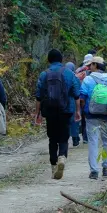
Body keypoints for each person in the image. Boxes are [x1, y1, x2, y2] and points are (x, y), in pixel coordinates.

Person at [36, 49, 81, 180]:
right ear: (61, 60)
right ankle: (62, 156)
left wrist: (37, 113)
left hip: (49, 111)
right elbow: (76, 93)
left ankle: (53, 165)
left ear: (49, 60)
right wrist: (78, 110)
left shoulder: (44, 74)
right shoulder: (69, 73)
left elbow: (38, 96)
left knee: (52, 139)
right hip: (66, 110)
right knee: (64, 137)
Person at [80, 57, 107, 179]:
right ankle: (106, 167)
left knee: (93, 142)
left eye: (91, 64)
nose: (89, 67)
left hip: (91, 116)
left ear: (95, 65)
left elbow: (82, 97)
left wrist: (82, 111)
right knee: (106, 142)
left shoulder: (88, 79)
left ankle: (94, 171)